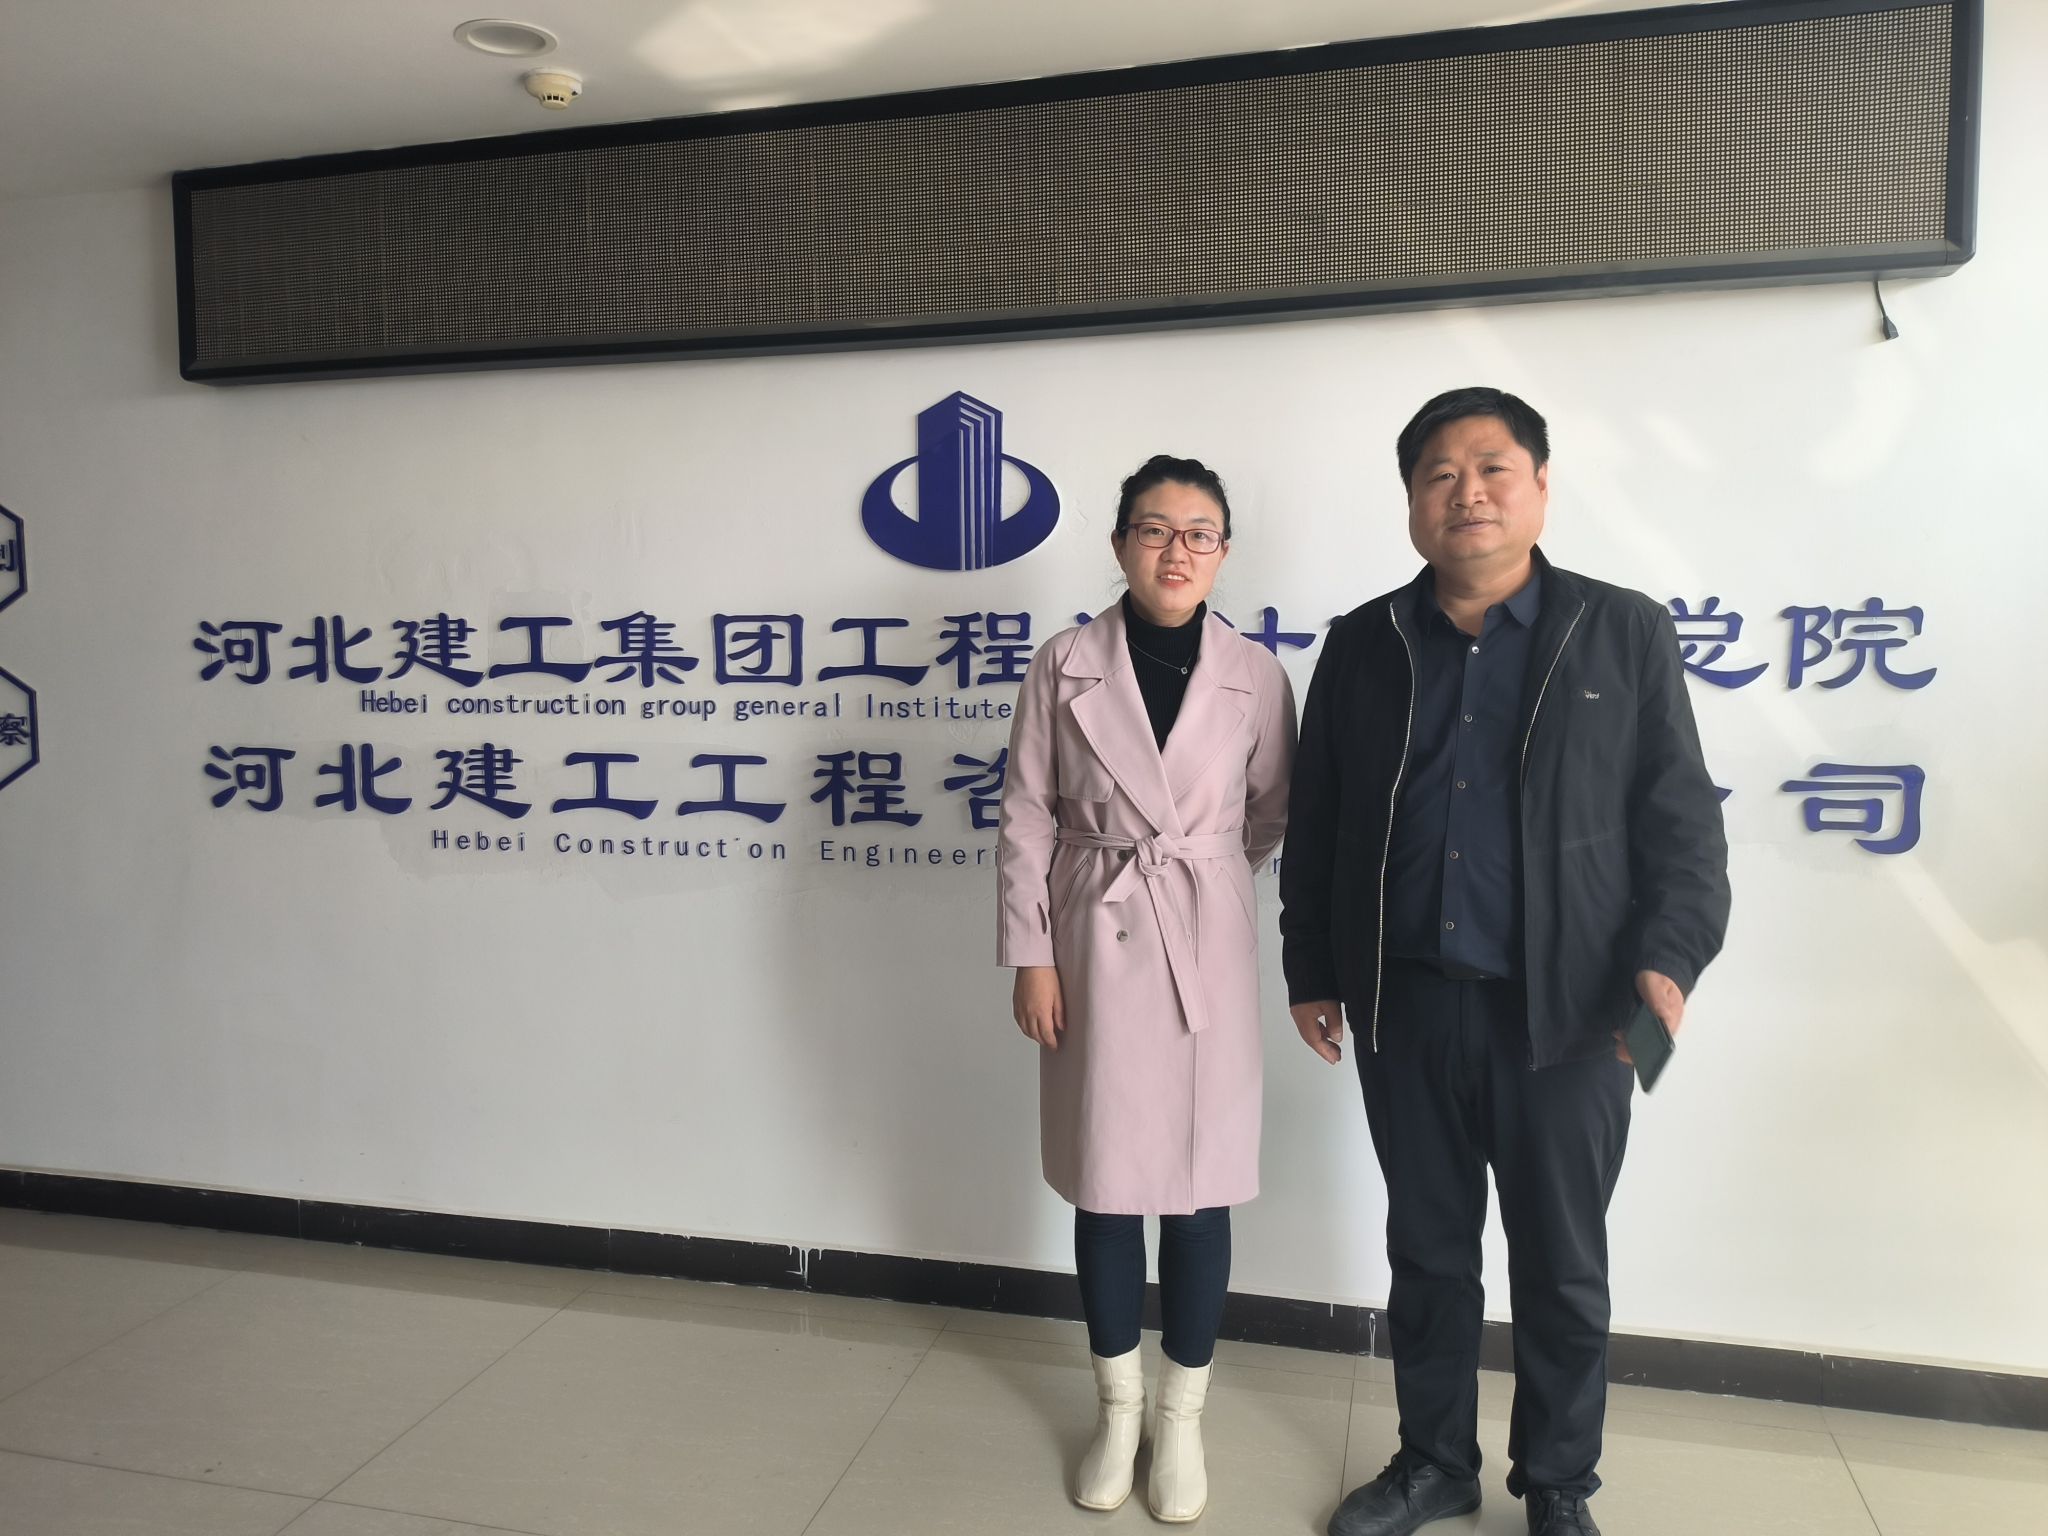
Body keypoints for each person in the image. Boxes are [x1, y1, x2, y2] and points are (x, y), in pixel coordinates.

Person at [1279, 389, 1730, 1536]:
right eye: (1438, 473)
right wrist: (1309, 966)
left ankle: (1558, 1483)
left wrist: (1668, 958)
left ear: (1539, 486)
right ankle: (1433, 1462)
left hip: (1574, 1017)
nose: (1465, 492)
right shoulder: (1363, 643)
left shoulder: (1619, 631)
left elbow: (1680, 824)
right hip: (1406, 1008)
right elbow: (1318, 820)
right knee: (1427, 1253)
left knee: (1561, 1265)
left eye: (1491, 468)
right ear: (1410, 502)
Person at [996, 454, 1297, 1522]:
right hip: (1092, 940)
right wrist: (1033, 953)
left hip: (1203, 935)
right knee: (1107, 1178)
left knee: (1201, 1186)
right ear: (1120, 542)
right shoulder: (1063, 663)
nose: (1177, 551)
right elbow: (1025, 815)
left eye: (1198, 533)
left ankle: (1181, 1417)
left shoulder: (1256, 674)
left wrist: (1194, 875)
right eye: (1155, 529)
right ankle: (1117, 1410)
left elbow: (1270, 812)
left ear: (1223, 551)